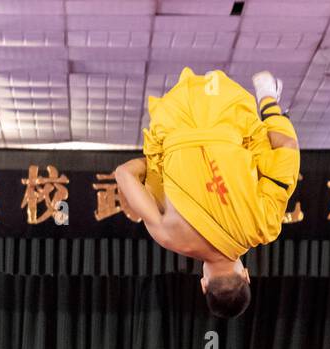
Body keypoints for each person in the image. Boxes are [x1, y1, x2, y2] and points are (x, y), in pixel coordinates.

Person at [113, 69, 299, 317]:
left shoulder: (264, 226)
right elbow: (123, 173)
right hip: (176, 116)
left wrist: (268, 102)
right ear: (203, 285)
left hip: (228, 111)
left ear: (246, 276)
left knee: (274, 154)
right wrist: (168, 162)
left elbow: (286, 147)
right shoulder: (169, 236)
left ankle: (267, 93)